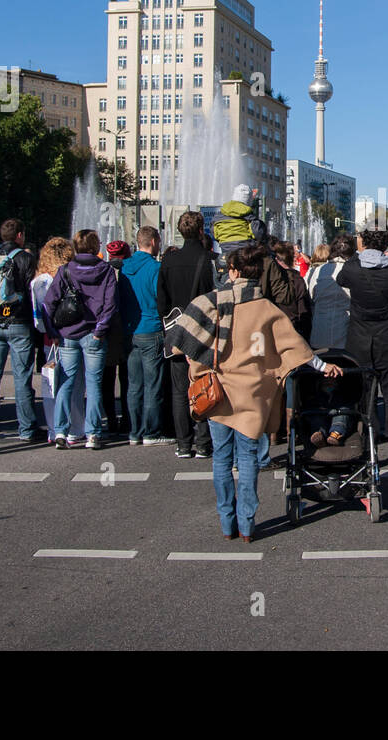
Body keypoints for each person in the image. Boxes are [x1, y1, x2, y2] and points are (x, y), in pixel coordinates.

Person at [164, 244, 344, 541]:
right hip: (253, 396)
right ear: (259, 274)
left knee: (221, 458)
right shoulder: (266, 309)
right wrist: (324, 366)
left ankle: (227, 523)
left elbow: (182, 340)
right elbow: (295, 347)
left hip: (217, 392)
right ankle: (248, 524)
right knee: (246, 458)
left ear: (232, 271)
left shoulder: (211, 301)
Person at [337, 230, 388, 467]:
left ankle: (370, 446)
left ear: (364, 244)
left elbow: (341, 280)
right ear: (386, 246)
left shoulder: (352, 269)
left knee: (366, 398)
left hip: (360, 340)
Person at [42, 229, 117, 450]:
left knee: (66, 382)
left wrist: (54, 332)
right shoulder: (105, 271)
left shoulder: (66, 270)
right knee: (93, 384)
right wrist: (100, 329)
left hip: (68, 334)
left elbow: (49, 303)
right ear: (96, 247)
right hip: (94, 333)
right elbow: (110, 304)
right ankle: (93, 433)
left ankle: (60, 432)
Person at [158, 211, 216, 459]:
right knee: (202, 383)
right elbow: (214, 299)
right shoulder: (208, 259)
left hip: (176, 330)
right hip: (202, 331)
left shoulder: (168, 261)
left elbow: (161, 301)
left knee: (179, 389)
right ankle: (203, 442)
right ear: (201, 230)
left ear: (180, 231)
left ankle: (183, 443)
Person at [0, 218, 40, 441]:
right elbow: (33, 292)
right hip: (19, 322)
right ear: (19, 235)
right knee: (22, 378)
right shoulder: (26, 258)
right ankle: (27, 429)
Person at [121, 226, 170, 446]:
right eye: (158, 241)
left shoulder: (124, 267)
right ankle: (151, 432)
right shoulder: (155, 268)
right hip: (151, 328)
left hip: (130, 329)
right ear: (152, 242)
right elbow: (160, 300)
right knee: (153, 385)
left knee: (134, 385)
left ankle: (134, 431)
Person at [31, 237, 77, 443]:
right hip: (71, 333)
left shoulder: (38, 281)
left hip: (49, 337)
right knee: (72, 382)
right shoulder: (69, 276)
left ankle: (53, 428)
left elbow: (37, 317)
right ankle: (74, 426)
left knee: (51, 383)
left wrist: (47, 332)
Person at [102, 240, 133, 440]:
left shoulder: (103, 271)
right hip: (128, 328)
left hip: (108, 330)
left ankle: (111, 418)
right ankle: (127, 419)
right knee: (127, 378)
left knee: (107, 378)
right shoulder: (130, 271)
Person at [305, 232, 354, 351]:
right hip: (346, 335)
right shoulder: (354, 271)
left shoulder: (317, 271)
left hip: (319, 334)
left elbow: (311, 295)